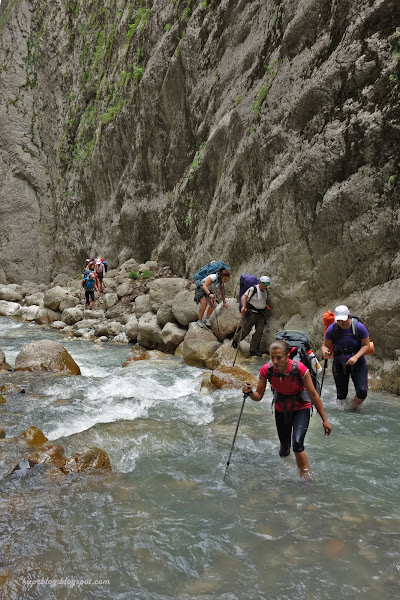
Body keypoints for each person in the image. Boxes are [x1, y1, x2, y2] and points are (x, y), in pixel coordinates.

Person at [243, 340, 332, 480]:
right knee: (284, 450)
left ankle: (305, 479)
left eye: (279, 357)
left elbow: (314, 395)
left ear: (287, 356)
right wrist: (249, 393)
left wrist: (324, 420)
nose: (275, 361)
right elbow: (258, 396)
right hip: (281, 409)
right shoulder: (267, 370)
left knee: (297, 444)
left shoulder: (300, 369)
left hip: (301, 407)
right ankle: (283, 472)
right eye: (272, 357)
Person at [321, 305, 370, 409]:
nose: (341, 322)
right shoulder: (332, 329)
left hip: (358, 363)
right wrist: (325, 351)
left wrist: (356, 357)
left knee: (362, 392)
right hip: (339, 364)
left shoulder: (358, 327)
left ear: (348, 316)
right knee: (341, 395)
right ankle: (342, 413)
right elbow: (325, 345)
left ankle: (352, 409)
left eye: (343, 319)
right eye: (338, 320)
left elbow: (366, 345)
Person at [232, 276, 271, 356]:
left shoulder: (265, 290)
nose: (265, 287)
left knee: (259, 331)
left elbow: (262, 299)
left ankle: (253, 350)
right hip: (251, 313)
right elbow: (244, 297)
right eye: (264, 285)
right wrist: (243, 307)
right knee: (246, 329)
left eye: (266, 286)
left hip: (261, 314)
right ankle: (235, 341)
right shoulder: (253, 289)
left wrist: (265, 305)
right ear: (259, 283)